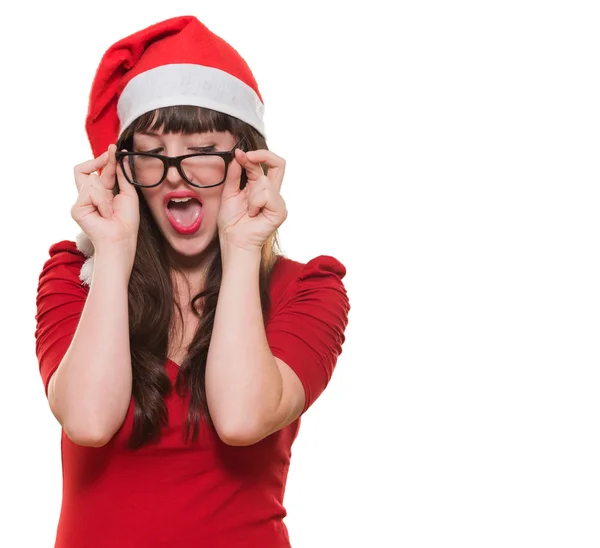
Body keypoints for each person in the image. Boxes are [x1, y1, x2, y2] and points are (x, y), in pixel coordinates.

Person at [33, 14, 350, 548]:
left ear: (247, 163)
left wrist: (244, 245)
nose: (176, 175)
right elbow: (87, 420)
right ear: (124, 169)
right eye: (153, 154)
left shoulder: (310, 289)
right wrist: (112, 249)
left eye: (203, 152)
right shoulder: (76, 278)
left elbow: (243, 418)